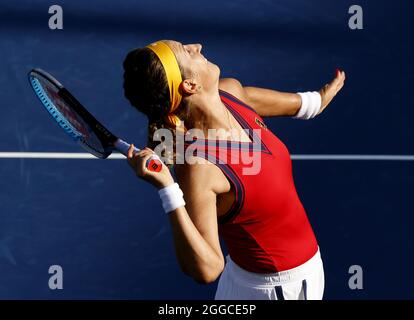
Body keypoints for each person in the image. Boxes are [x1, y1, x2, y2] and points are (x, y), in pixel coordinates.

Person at [123, 40, 345, 300]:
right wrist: (168, 189)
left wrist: (317, 100)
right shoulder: (199, 166)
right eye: (187, 51)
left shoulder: (231, 93)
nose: (197, 46)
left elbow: (295, 104)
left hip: (304, 273)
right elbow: (207, 269)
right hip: (272, 291)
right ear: (190, 85)